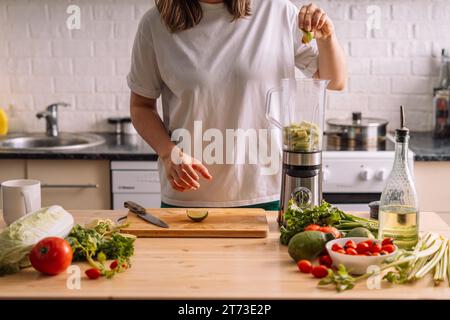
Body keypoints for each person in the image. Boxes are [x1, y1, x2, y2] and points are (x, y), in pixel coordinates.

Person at [128, 0, 347, 209]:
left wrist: (326, 37)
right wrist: (168, 154)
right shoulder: (155, 24)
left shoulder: (277, 11)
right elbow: (141, 106)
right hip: (188, 195)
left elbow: (334, 80)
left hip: (267, 192)